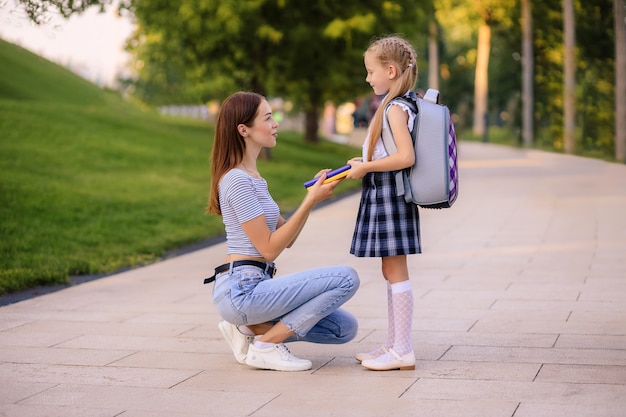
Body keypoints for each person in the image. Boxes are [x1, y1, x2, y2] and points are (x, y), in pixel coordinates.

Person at [206, 91, 360, 372]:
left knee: (344, 328)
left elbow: (287, 239)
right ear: (244, 130)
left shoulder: (254, 178)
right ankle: (266, 345)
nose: (275, 123)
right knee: (346, 278)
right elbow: (269, 249)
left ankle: (248, 330)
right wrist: (310, 200)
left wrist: (313, 198)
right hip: (242, 290)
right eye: (267, 118)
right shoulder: (236, 181)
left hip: (257, 286)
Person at [345, 35, 420, 371]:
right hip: (385, 192)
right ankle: (393, 345)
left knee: (396, 271)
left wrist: (368, 167)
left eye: (370, 71)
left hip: (390, 194)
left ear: (390, 70)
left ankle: (402, 350)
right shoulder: (399, 103)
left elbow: (406, 156)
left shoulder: (395, 108)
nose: (367, 78)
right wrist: (361, 163)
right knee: (390, 270)